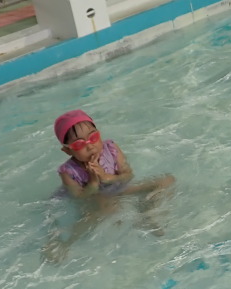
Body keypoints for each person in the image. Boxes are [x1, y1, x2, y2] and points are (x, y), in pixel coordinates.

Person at [45, 110, 174, 260]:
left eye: (93, 137)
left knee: (167, 181)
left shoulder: (111, 149)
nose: (90, 146)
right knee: (106, 208)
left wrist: (107, 177)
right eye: (79, 144)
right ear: (67, 150)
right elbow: (78, 196)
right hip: (94, 196)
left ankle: (146, 212)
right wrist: (93, 182)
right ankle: (67, 243)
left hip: (116, 186)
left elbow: (128, 175)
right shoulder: (68, 171)